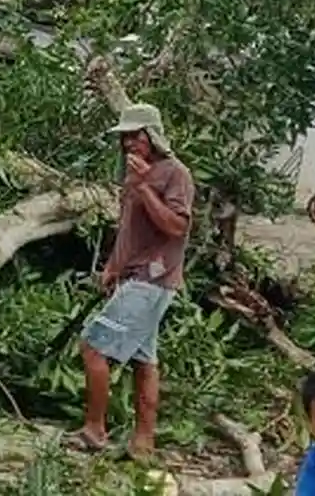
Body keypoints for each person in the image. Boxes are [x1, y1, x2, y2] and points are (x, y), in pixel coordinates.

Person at [73, 103, 194, 460]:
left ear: (153, 136)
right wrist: (112, 267)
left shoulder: (175, 174)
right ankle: (143, 442)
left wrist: (144, 188)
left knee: (93, 347)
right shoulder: (133, 174)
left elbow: (177, 227)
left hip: (153, 278)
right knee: (144, 360)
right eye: (124, 137)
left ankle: (94, 429)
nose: (128, 143)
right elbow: (128, 229)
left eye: (136, 136)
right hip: (133, 277)